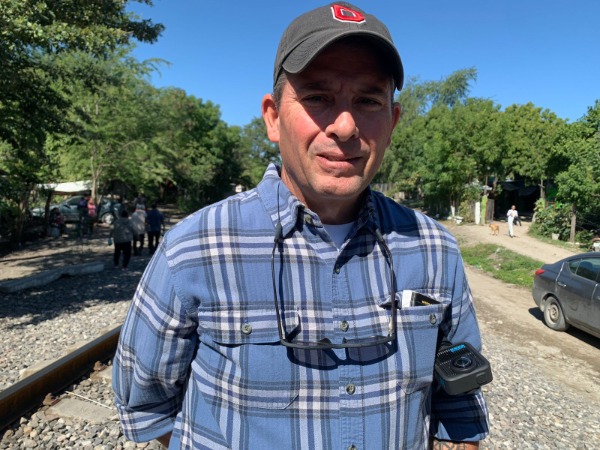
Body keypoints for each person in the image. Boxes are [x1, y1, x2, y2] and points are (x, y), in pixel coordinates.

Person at [113, 3, 490, 449]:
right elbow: (147, 406)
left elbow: (459, 400)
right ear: (273, 117)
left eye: (368, 101)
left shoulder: (434, 249)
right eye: (317, 98)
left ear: (392, 122)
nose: (345, 127)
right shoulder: (192, 250)